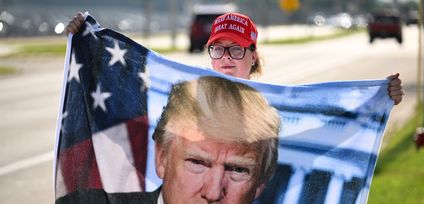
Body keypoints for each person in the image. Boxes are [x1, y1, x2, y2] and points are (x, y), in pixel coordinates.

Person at [56, 76, 281, 204]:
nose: (213, 193)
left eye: (237, 170)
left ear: (260, 183)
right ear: (162, 158)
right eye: (198, 163)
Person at [66, 12, 405, 105]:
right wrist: (84, 39)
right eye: (218, 48)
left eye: (237, 49)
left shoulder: (271, 105)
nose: (226, 57)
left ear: (253, 57)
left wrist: (379, 96)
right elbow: (125, 92)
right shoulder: (186, 98)